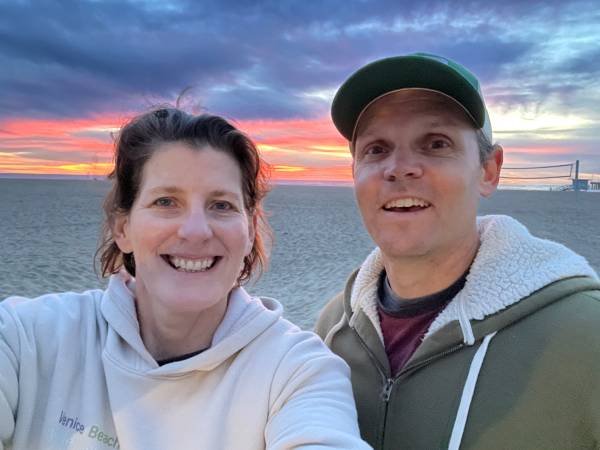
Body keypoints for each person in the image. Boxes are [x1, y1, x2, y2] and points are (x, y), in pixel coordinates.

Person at [0, 108, 370, 450]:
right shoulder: (27, 338)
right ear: (122, 228)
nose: (196, 231)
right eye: (165, 202)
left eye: (221, 205)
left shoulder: (298, 371)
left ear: (249, 231)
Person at [315, 53, 600, 449]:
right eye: (376, 149)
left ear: (489, 171)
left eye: (436, 143)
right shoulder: (331, 332)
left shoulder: (585, 336)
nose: (399, 167)